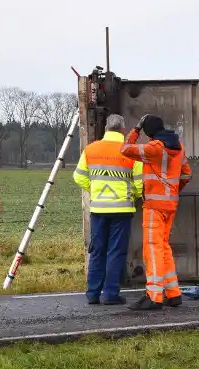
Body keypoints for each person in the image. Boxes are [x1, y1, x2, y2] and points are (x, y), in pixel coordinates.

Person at [120, 113, 192, 310]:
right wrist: (173, 191)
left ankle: (153, 296)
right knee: (163, 247)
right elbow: (186, 174)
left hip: (154, 206)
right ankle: (173, 293)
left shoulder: (154, 148)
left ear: (149, 132)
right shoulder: (179, 147)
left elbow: (125, 149)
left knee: (152, 249)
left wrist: (136, 129)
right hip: (170, 205)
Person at [73, 114, 144, 305]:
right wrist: (133, 196)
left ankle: (92, 294)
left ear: (105, 128)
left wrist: (95, 190)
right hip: (122, 209)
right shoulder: (130, 151)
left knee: (97, 251)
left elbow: (79, 177)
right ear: (122, 130)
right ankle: (110, 294)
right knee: (115, 252)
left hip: (98, 208)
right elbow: (139, 183)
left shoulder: (91, 149)